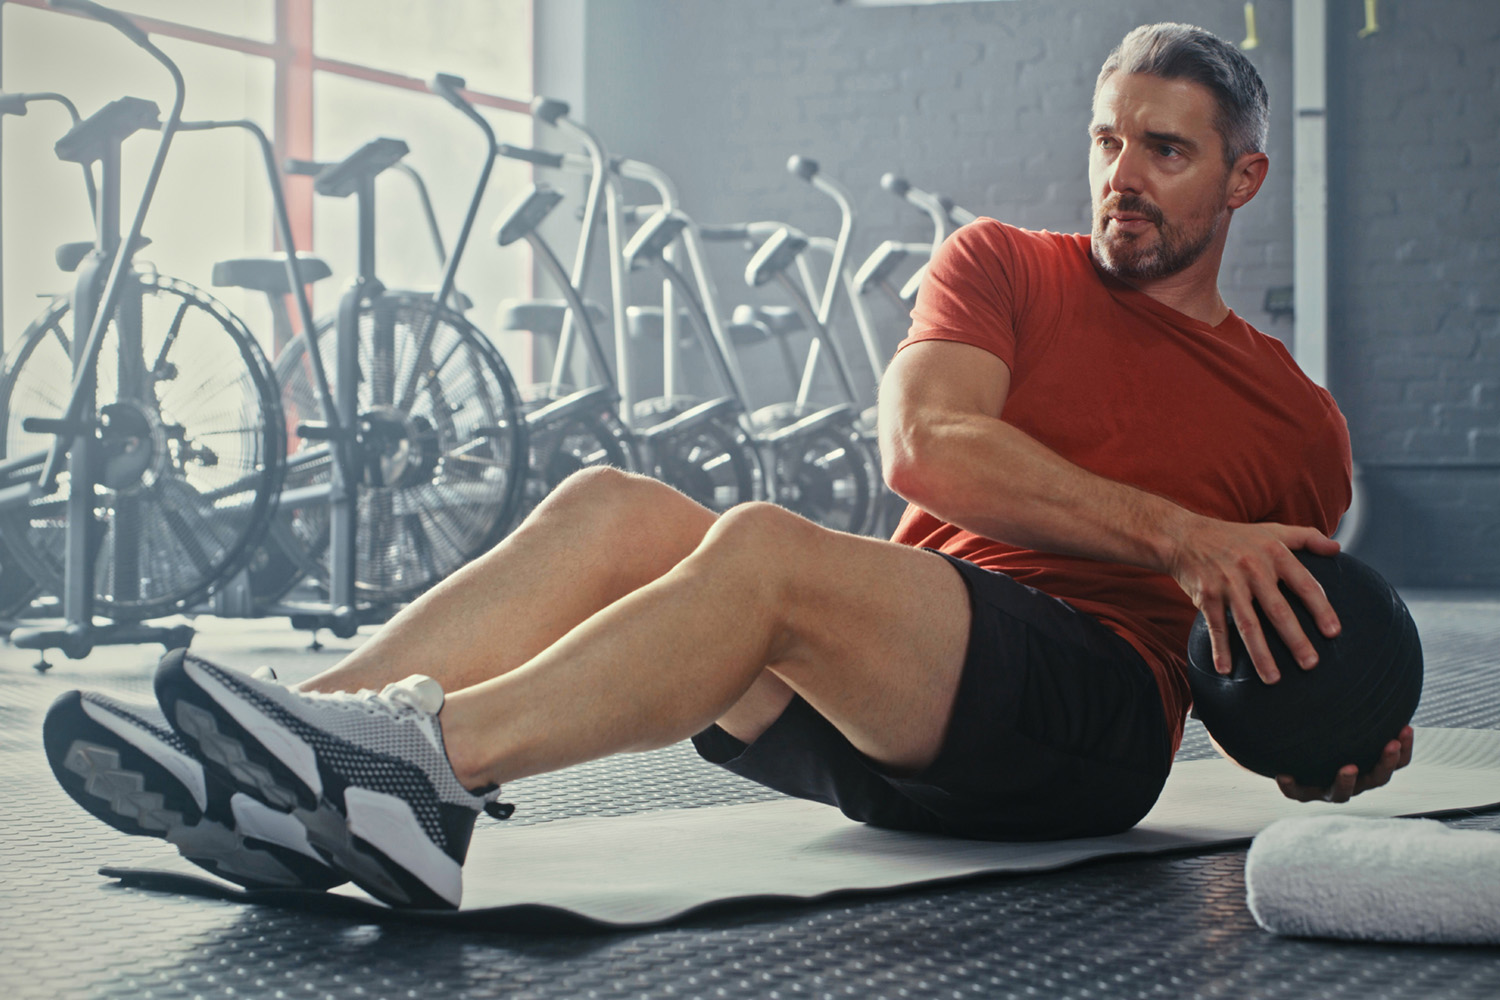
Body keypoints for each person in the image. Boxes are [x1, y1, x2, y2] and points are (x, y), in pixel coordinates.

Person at [45, 22, 1414, 910]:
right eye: (1110, 139)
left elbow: (1278, 666)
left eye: (1166, 152)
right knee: (612, 508)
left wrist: (1335, 745)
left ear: (1241, 180)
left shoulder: (1298, 430)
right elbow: (928, 448)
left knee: (759, 547)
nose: (1123, 174)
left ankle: (423, 777)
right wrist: (1181, 532)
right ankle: (295, 751)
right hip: (892, 705)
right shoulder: (1003, 264)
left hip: (1088, 727)